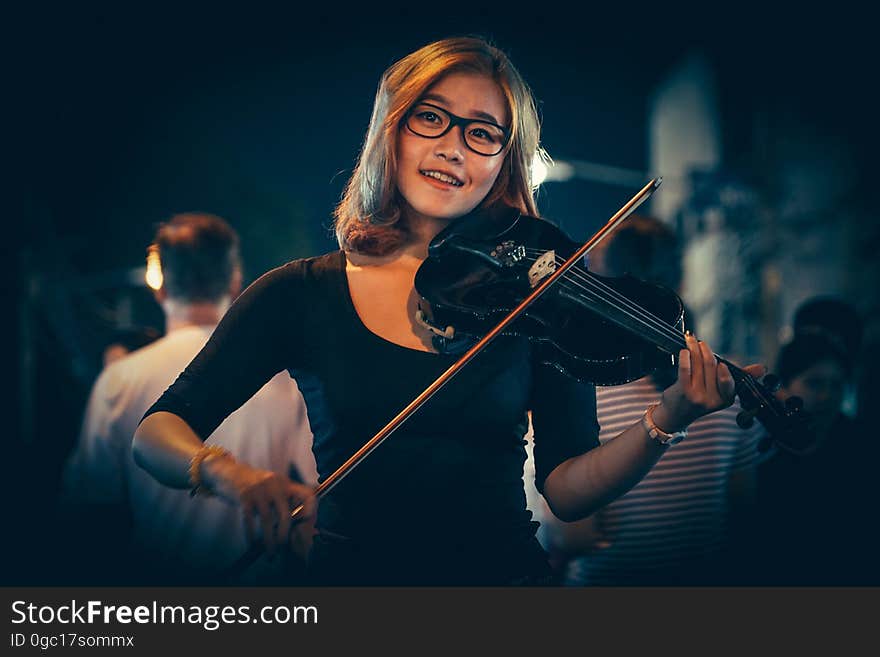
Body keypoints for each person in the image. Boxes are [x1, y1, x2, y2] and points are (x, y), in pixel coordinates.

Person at [132, 36, 763, 586]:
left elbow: (567, 491)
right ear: (391, 132)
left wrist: (667, 418)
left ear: (503, 161)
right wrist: (229, 476)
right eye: (430, 118)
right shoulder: (300, 292)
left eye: (483, 132)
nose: (455, 147)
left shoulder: (537, 297)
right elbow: (156, 433)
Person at [62, 212, 317, 584]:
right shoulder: (284, 378)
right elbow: (315, 488)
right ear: (235, 281)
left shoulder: (119, 379)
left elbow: (89, 501)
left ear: (159, 284)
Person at [534, 215, 765, 585]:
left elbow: (574, 536)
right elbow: (744, 521)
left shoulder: (584, 385)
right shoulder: (727, 383)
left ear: (605, 288)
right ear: (682, 280)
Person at [749, 331, 877, 584]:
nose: (827, 397)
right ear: (782, 386)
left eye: (837, 385)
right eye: (814, 383)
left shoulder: (863, 444)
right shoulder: (760, 446)